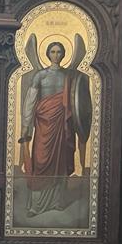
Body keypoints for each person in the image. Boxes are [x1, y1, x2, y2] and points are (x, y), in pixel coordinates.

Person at [19, 40, 92, 217]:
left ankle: (58, 201)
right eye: (53, 51)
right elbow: (30, 101)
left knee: (61, 161)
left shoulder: (69, 76)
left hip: (63, 125)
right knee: (41, 160)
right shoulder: (40, 76)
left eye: (59, 52)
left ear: (64, 54)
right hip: (44, 125)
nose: (56, 55)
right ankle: (36, 205)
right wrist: (26, 125)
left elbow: (79, 102)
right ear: (47, 54)